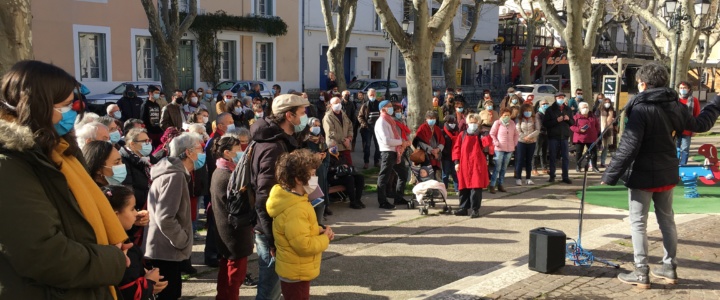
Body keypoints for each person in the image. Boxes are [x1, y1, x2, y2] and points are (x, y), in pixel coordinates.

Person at [0, 60, 128, 299]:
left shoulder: (57, 150)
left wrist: (109, 246)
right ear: (38, 104)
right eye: (67, 105)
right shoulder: (10, 165)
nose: (74, 113)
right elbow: (43, 255)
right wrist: (112, 260)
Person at [601, 62, 720, 288]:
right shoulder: (675, 105)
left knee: (638, 223)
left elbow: (629, 145)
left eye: (638, 84)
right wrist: (715, 104)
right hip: (666, 172)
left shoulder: (641, 108)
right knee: (667, 220)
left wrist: (610, 174)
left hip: (643, 175)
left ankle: (640, 272)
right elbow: (700, 123)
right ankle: (669, 266)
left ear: (644, 84)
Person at [251, 94, 310, 300]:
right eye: (302, 113)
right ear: (289, 115)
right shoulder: (272, 148)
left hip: (278, 228)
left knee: (274, 291)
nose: (305, 117)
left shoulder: (278, 140)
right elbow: (262, 199)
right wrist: (273, 241)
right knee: (269, 291)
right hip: (271, 232)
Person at [266, 149, 333, 299]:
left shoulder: (295, 199)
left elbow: (299, 230)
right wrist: (325, 238)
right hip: (296, 271)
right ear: (298, 179)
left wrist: (318, 230)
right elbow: (304, 245)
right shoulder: (296, 208)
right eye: (313, 174)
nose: (315, 178)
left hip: (295, 268)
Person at [144, 132, 204, 299]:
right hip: (165, 251)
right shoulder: (175, 176)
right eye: (200, 149)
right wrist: (182, 240)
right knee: (168, 295)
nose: (202, 154)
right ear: (188, 152)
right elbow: (165, 217)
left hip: (165, 249)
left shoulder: (176, 173)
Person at [209, 136, 254, 300]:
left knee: (227, 274)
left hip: (226, 231)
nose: (241, 152)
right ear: (227, 153)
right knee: (234, 277)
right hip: (234, 233)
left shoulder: (221, 170)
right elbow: (241, 204)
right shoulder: (228, 176)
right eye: (238, 149)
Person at [452, 113, 491, 218]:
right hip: (464, 165)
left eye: (475, 122)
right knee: (463, 188)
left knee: (476, 188)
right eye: (471, 122)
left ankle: (475, 209)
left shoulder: (481, 134)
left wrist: (485, 134)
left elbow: (487, 145)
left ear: (478, 123)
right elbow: (456, 149)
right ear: (467, 123)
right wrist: (456, 162)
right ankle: (463, 208)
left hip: (477, 165)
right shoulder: (462, 134)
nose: (473, 124)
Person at [375, 100, 411, 209]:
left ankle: (398, 197)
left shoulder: (389, 120)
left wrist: (402, 142)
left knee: (403, 174)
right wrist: (401, 142)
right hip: (387, 152)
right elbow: (387, 140)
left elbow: (394, 136)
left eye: (391, 106)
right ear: (382, 109)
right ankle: (382, 201)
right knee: (384, 177)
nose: (391, 108)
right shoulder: (382, 121)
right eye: (388, 107)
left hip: (395, 151)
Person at [543, 93, 574, 184]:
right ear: (555, 98)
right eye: (559, 97)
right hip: (553, 136)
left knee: (565, 157)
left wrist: (568, 119)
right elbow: (545, 124)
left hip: (564, 136)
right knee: (552, 156)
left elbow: (572, 122)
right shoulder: (550, 110)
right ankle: (552, 175)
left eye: (562, 98)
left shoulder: (568, 109)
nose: (561, 99)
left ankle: (565, 176)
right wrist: (556, 121)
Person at [305, 117, 331, 219]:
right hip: (313, 170)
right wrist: (316, 156)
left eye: (318, 125)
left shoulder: (321, 138)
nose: (317, 128)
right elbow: (306, 153)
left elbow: (326, 151)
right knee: (315, 191)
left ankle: (325, 207)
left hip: (322, 167)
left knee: (324, 188)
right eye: (314, 126)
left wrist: (324, 159)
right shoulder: (306, 140)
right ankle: (317, 212)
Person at [327, 143, 366, 209]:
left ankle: (358, 200)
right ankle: (352, 202)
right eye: (332, 147)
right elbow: (328, 169)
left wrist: (348, 167)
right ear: (328, 148)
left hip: (345, 174)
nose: (334, 148)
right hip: (335, 177)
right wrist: (338, 167)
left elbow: (348, 164)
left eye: (335, 146)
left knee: (360, 178)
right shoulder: (327, 157)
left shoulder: (341, 155)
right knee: (349, 179)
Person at [489, 108, 519, 193]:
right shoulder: (497, 123)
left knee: (504, 168)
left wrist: (515, 143)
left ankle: (500, 184)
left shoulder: (512, 123)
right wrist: (496, 142)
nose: (507, 117)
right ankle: (492, 185)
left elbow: (516, 134)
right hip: (499, 148)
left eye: (508, 115)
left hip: (509, 149)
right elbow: (492, 134)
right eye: (505, 115)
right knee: (497, 167)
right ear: (501, 115)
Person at [323, 96, 354, 166]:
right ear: (331, 105)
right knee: (339, 169)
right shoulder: (328, 117)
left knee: (349, 166)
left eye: (339, 102)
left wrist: (349, 138)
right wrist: (344, 140)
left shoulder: (344, 114)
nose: (338, 104)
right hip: (336, 147)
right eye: (336, 103)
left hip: (346, 146)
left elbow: (350, 126)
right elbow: (330, 132)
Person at [571, 102, 600, 173]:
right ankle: (578, 166)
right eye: (583, 107)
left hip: (591, 138)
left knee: (593, 153)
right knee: (579, 153)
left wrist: (595, 133)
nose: (585, 109)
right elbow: (572, 126)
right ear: (580, 109)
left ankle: (594, 166)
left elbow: (597, 126)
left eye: (586, 107)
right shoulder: (576, 117)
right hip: (580, 138)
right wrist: (579, 130)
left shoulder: (593, 116)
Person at [515, 104, 540, 185]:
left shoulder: (534, 119)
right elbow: (518, 130)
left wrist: (529, 137)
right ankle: (518, 178)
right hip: (521, 142)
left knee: (529, 160)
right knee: (520, 160)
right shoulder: (519, 119)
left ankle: (528, 178)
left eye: (529, 111)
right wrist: (524, 137)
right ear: (522, 111)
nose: (528, 112)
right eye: (526, 111)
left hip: (532, 142)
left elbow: (537, 130)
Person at [676, 81, 700, 165]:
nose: (682, 89)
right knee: (676, 148)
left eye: (684, 88)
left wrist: (695, 129)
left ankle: (683, 165)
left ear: (689, 89)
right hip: (676, 129)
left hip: (688, 129)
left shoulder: (694, 100)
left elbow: (697, 115)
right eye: (681, 88)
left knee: (685, 149)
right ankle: (675, 165)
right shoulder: (675, 100)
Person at [358, 88, 382, 169]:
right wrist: (365, 124)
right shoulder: (365, 105)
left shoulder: (379, 105)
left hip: (378, 129)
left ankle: (376, 161)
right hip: (368, 128)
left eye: (373, 95)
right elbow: (360, 116)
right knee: (367, 146)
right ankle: (366, 162)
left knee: (378, 145)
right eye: (371, 95)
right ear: (368, 96)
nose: (372, 96)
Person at [441, 115, 460, 193]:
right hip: (446, 156)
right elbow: (441, 142)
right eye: (450, 122)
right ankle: (444, 188)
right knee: (445, 174)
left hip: (455, 156)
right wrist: (445, 152)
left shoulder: (457, 132)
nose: (452, 124)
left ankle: (457, 189)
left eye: (453, 122)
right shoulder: (443, 132)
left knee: (455, 173)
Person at [534, 100, 550, 175]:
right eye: (543, 104)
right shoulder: (538, 114)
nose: (545, 105)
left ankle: (544, 167)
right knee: (536, 152)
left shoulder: (549, 113)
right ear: (540, 105)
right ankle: (534, 168)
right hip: (539, 134)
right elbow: (539, 125)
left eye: (547, 103)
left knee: (544, 152)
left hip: (546, 134)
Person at [599, 98, 615, 168]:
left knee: (605, 147)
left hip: (609, 131)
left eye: (609, 102)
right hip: (600, 130)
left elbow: (616, 121)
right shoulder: (599, 110)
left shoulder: (612, 111)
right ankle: (592, 163)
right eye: (606, 102)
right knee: (598, 147)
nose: (607, 104)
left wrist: (614, 121)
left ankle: (603, 162)